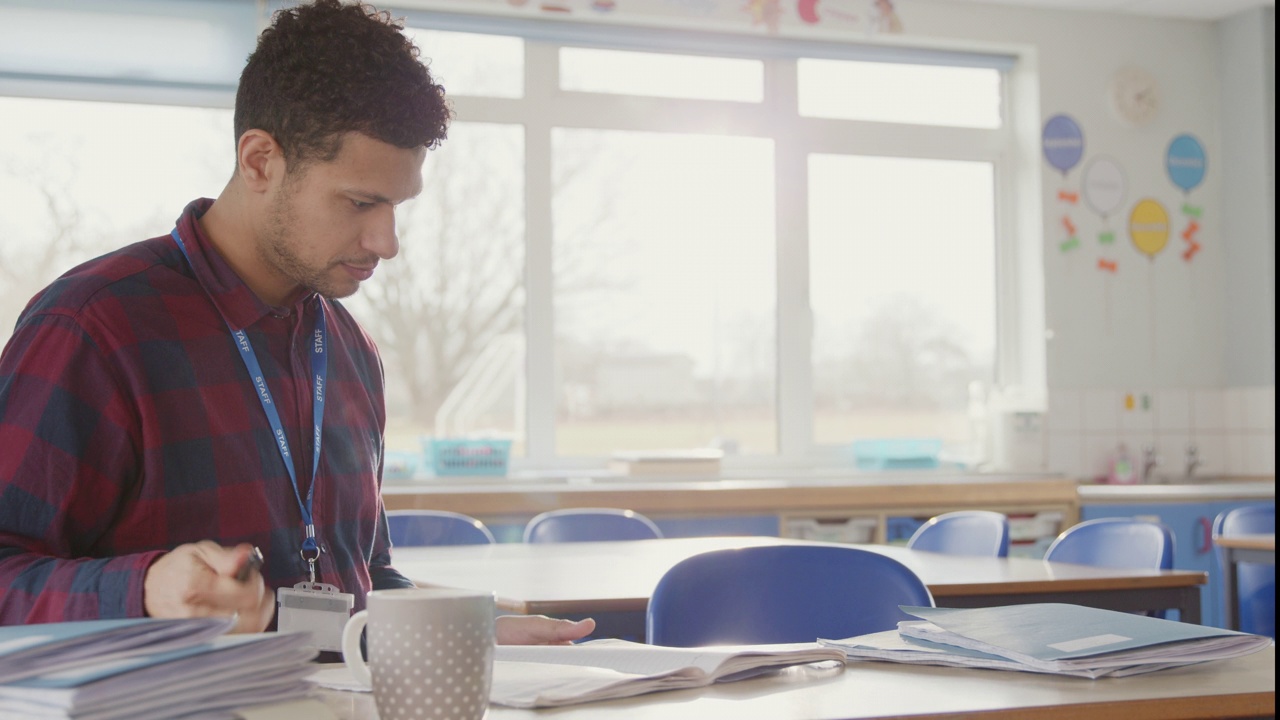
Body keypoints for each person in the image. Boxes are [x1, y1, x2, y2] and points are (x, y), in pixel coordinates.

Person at [0, 0, 593, 646]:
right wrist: (143, 591)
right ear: (259, 161)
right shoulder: (94, 327)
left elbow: (362, 583)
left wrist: (461, 631)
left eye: (397, 205)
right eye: (361, 202)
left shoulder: (350, 351)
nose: (388, 240)